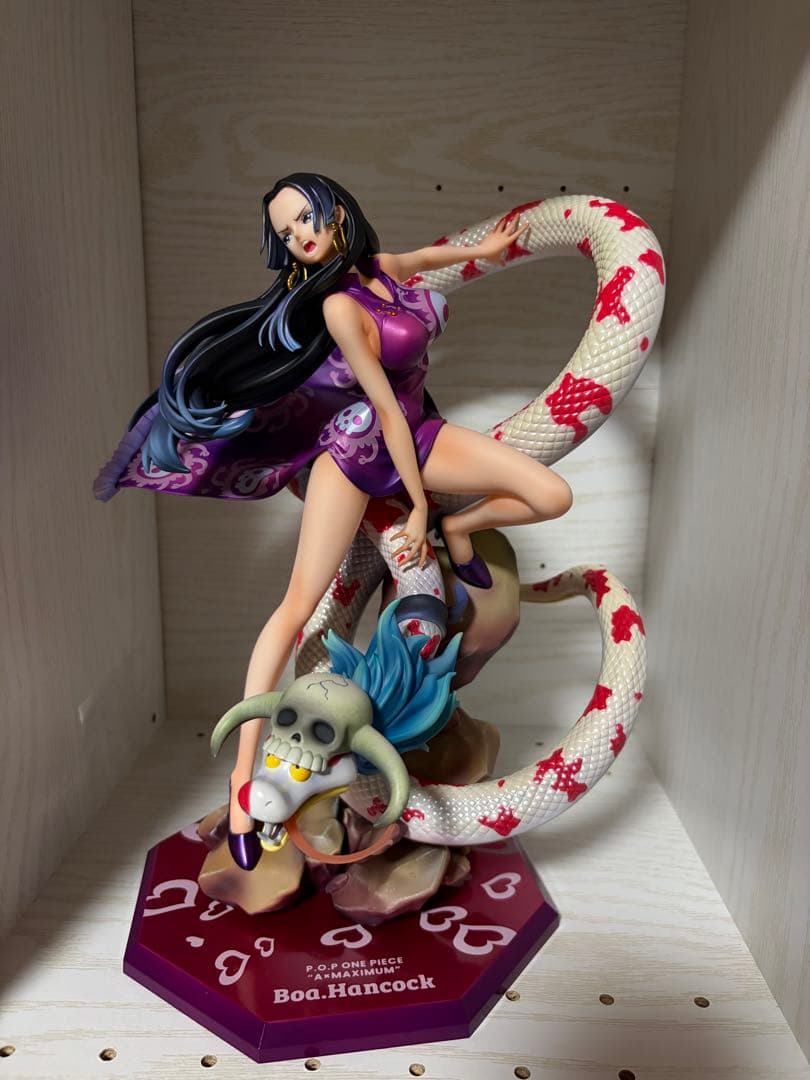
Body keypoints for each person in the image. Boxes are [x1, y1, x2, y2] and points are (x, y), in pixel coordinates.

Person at [95, 173, 573, 863]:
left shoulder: (379, 268)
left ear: (337, 212)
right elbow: (382, 409)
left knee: (551, 495)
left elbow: (424, 259)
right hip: (356, 452)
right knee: (297, 607)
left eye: (305, 218)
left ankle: (462, 530)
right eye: (285, 232)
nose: (300, 236)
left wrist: (488, 251)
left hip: (422, 433)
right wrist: (415, 505)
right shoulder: (337, 307)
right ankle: (242, 780)